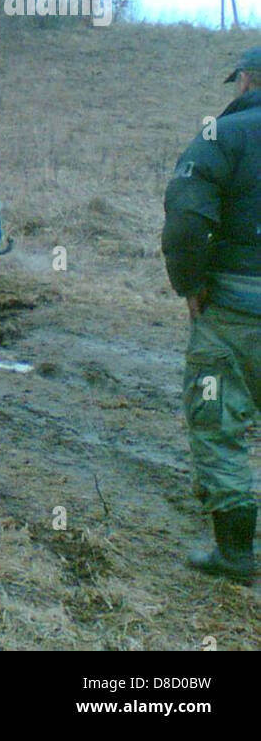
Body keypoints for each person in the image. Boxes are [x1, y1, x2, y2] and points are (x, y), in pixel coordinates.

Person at [161, 47, 261, 582]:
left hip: (232, 312)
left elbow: (185, 218)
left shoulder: (223, 137)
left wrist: (190, 285)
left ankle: (236, 554)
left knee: (219, 425)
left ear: (246, 80)